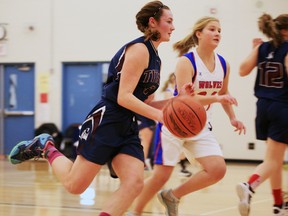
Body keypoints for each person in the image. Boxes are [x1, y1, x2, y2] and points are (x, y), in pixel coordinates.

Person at [8, 1, 177, 216]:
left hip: (126, 125)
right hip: (107, 119)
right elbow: (123, 97)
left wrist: (179, 102)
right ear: (153, 22)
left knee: (134, 183)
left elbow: (146, 104)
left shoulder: (156, 59)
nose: (173, 27)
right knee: (74, 186)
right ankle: (45, 146)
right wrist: (160, 116)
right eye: (169, 21)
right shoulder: (139, 49)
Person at [129, 16, 246, 216]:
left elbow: (224, 93)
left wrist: (232, 118)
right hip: (173, 123)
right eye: (212, 29)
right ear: (199, 34)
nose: (217, 33)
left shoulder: (224, 64)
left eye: (219, 30)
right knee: (160, 176)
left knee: (217, 169)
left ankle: (172, 196)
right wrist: (217, 99)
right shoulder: (186, 62)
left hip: (199, 124)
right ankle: (135, 212)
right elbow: (186, 102)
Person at [236, 13, 288, 216]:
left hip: (263, 108)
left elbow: (242, 70)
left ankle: (278, 204)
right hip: (282, 108)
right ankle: (248, 186)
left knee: (273, 158)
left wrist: (255, 51)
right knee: (274, 160)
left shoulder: (262, 47)